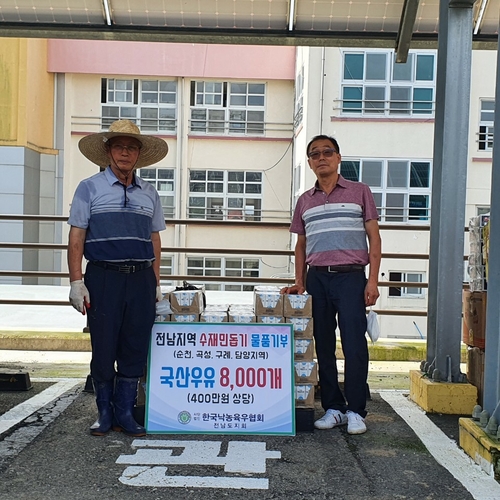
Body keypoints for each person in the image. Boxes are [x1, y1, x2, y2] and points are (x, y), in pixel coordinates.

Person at [67, 119, 169, 437]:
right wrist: (75, 281)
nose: (125, 152)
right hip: (102, 277)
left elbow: (154, 240)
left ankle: (125, 412)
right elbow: (76, 237)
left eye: (132, 147)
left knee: (135, 345)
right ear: (108, 151)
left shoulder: (149, 193)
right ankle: (103, 413)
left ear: (139, 154)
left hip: (140, 279)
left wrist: (155, 282)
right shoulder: (89, 188)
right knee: (104, 345)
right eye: (119, 146)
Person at [282, 134, 381, 435]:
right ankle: (334, 408)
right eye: (315, 154)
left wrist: (372, 280)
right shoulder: (304, 201)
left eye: (327, 152)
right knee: (322, 345)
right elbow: (300, 246)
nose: (321, 157)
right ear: (310, 163)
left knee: (354, 344)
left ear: (338, 158)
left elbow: (374, 238)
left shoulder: (359, 191)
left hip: (351, 277)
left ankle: (356, 410)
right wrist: (300, 282)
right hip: (318, 278)